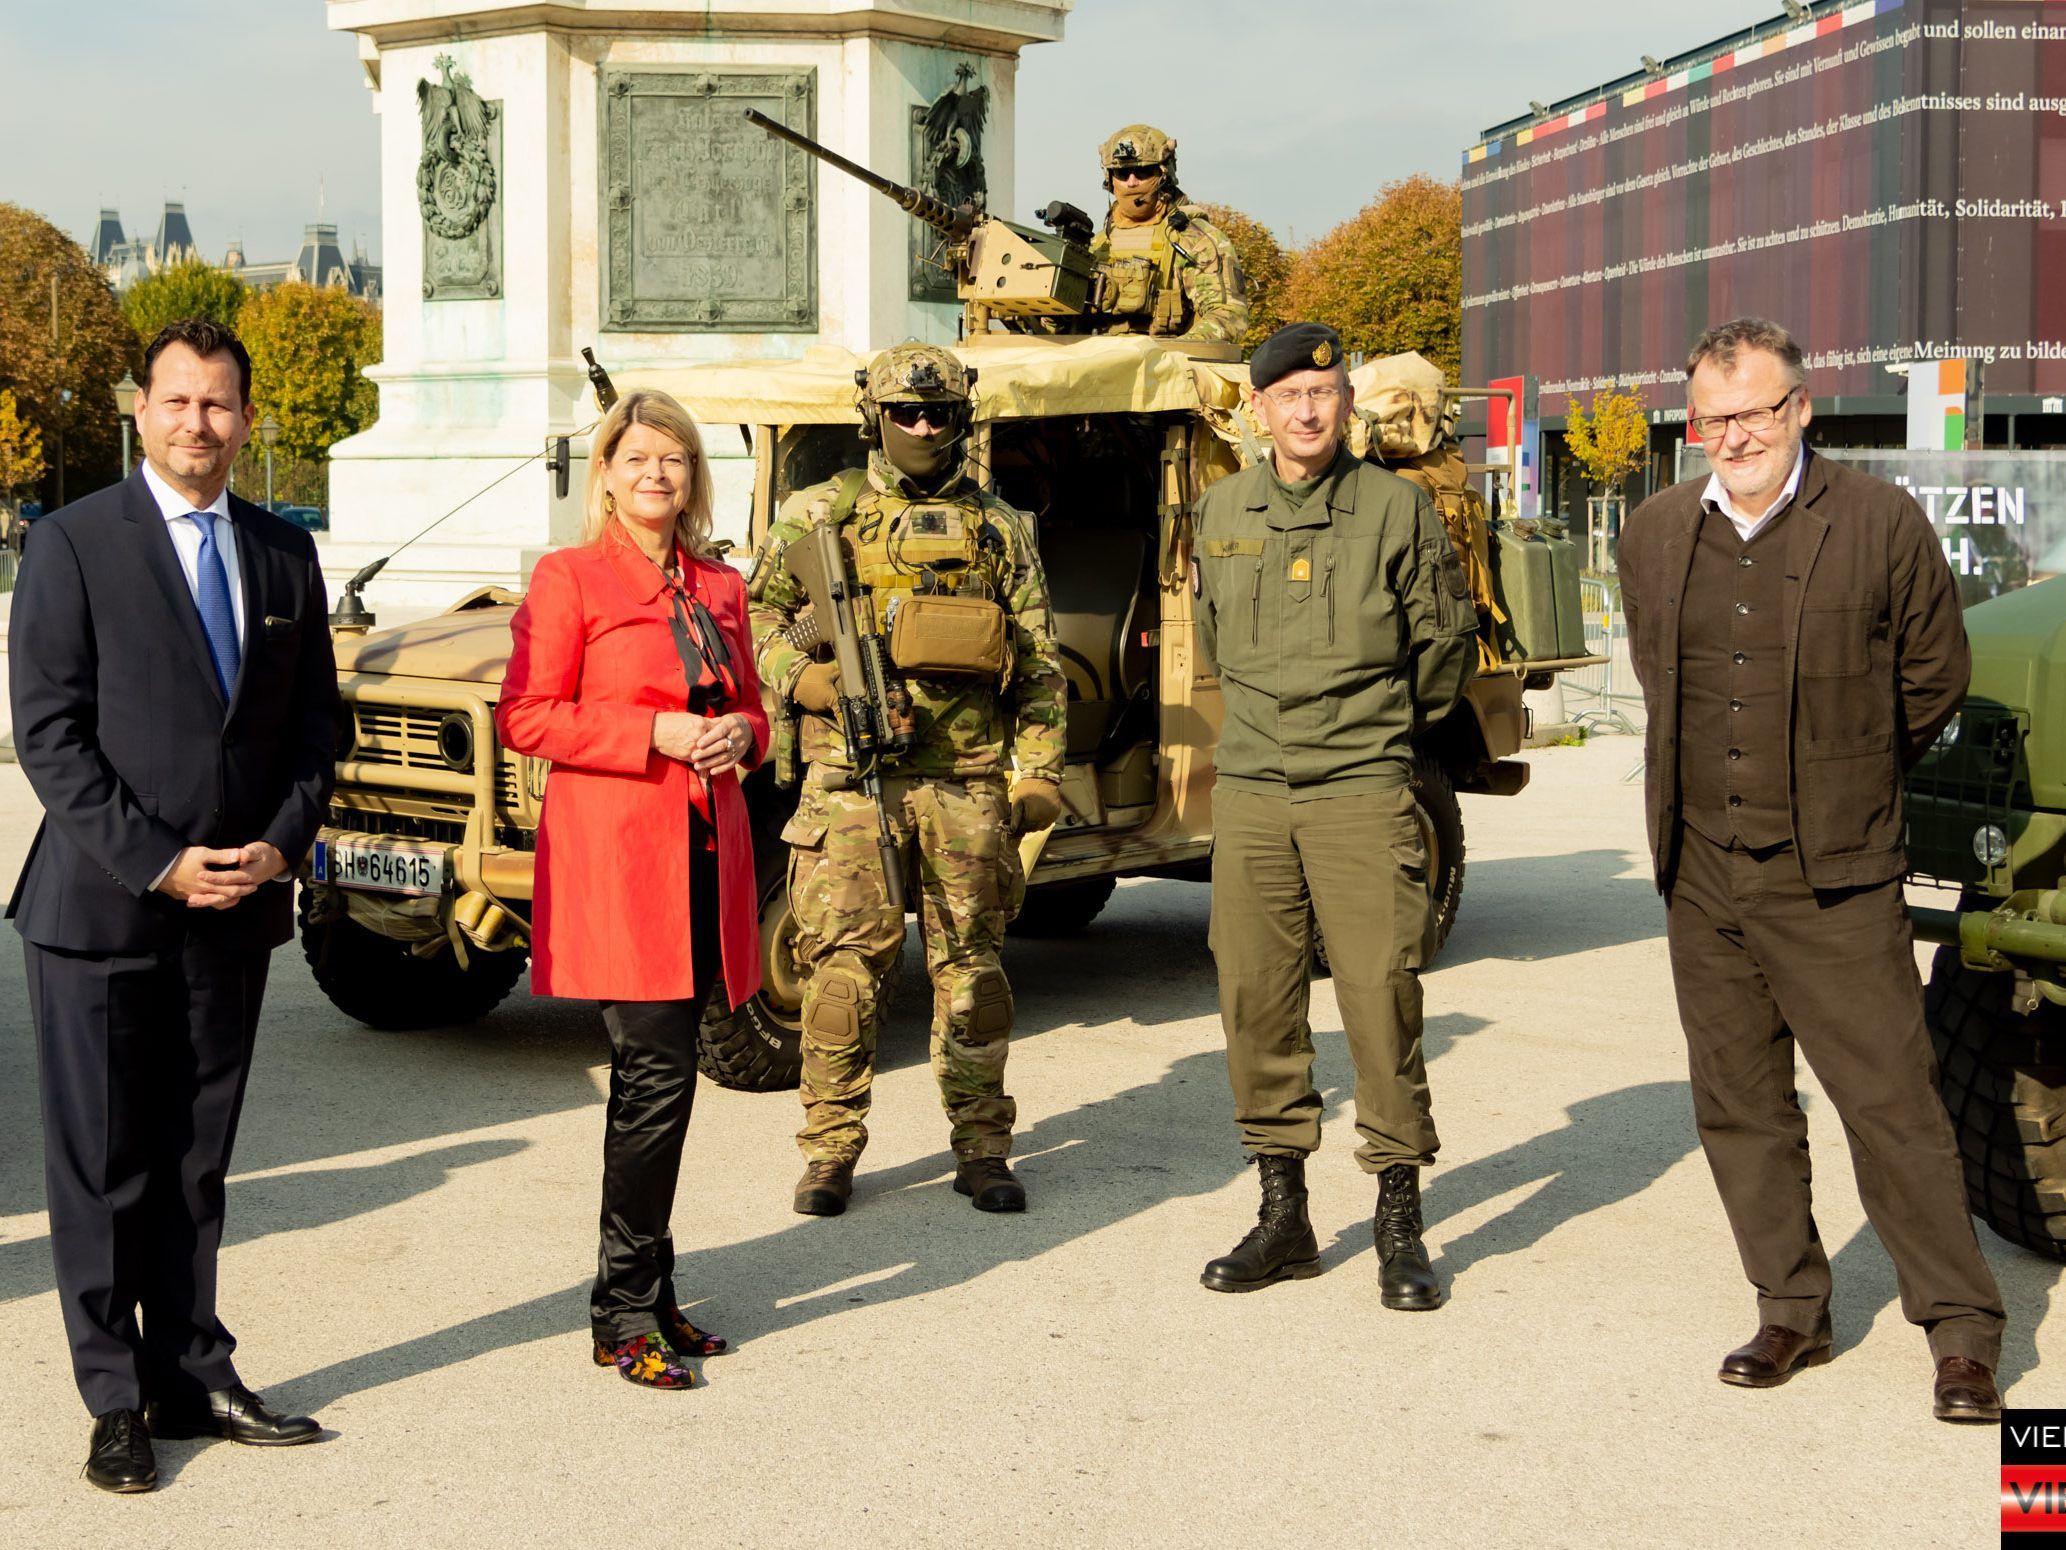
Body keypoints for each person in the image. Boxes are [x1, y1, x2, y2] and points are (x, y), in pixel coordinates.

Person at [1619, 317, 2007, 1423]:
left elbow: (1933, 675)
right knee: (1737, 1104)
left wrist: (1844, 773)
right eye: (1713, 415)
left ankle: (1961, 1332)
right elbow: (1658, 673)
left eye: (1754, 409)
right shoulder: (1650, 532)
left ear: (1799, 407)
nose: (1733, 433)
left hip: (1832, 875)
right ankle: (1788, 1303)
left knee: (1891, 1106)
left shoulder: (1878, 522)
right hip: (1701, 871)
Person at [9, 319, 340, 1491]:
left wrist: (278, 845)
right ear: (138, 410)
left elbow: (315, 731)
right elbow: (48, 735)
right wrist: (160, 860)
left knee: (196, 1159)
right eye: (178, 401)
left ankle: (192, 1366)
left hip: (235, 911)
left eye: (219, 404)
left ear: (246, 421)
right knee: (103, 1165)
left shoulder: (282, 554)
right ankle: (115, 1397)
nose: (198, 422)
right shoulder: (71, 543)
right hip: (100, 907)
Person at [1190, 321, 1476, 1309]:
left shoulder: (1398, 512)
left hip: (1359, 783)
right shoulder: (1218, 510)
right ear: (1259, 410)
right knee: (1255, 998)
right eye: (1287, 396)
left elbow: (1442, 652)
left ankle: (1399, 1214)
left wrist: (1377, 730)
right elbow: (1215, 642)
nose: (1306, 409)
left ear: (1345, 402)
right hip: (1253, 790)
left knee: (1378, 993)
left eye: (1323, 392)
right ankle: (1285, 1214)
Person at [747, 343, 1066, 1218]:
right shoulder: (817, 517)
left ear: (962, 417)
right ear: (874, 418)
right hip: (850, 784)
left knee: (973, 977)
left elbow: (1038, 661)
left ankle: (982, 1146)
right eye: (904, 413)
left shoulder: (1000, 528)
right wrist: (802, 677)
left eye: (938, 413)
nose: (923, 426)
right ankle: (830, 1150)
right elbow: (757, 619)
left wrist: (1037, 770)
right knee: (841, 976)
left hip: (965, 785)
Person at [498, 390, 769, 1390]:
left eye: (676, 461)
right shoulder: (569, 579)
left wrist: (746, 732)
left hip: (705, 848)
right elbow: (525, 716)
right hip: (622, 857)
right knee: (652, 1075)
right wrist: (645, 732)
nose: (657, 474)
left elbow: (748, 705)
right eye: (639, 458)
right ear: (605, 470)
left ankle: (648, 1293)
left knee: (666, 1076)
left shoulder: (718, 585)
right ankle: (621, 1307)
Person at [1088, 123, 1249, 344]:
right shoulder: (1098, 245)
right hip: (1097, 364)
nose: (1132, 181)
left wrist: (1170, 354)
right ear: (1110, 179)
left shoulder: (1196, 240)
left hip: (1167, 369)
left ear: (1164, 174)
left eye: (1143, 171)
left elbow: (1228, 316)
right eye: (1122, 173)